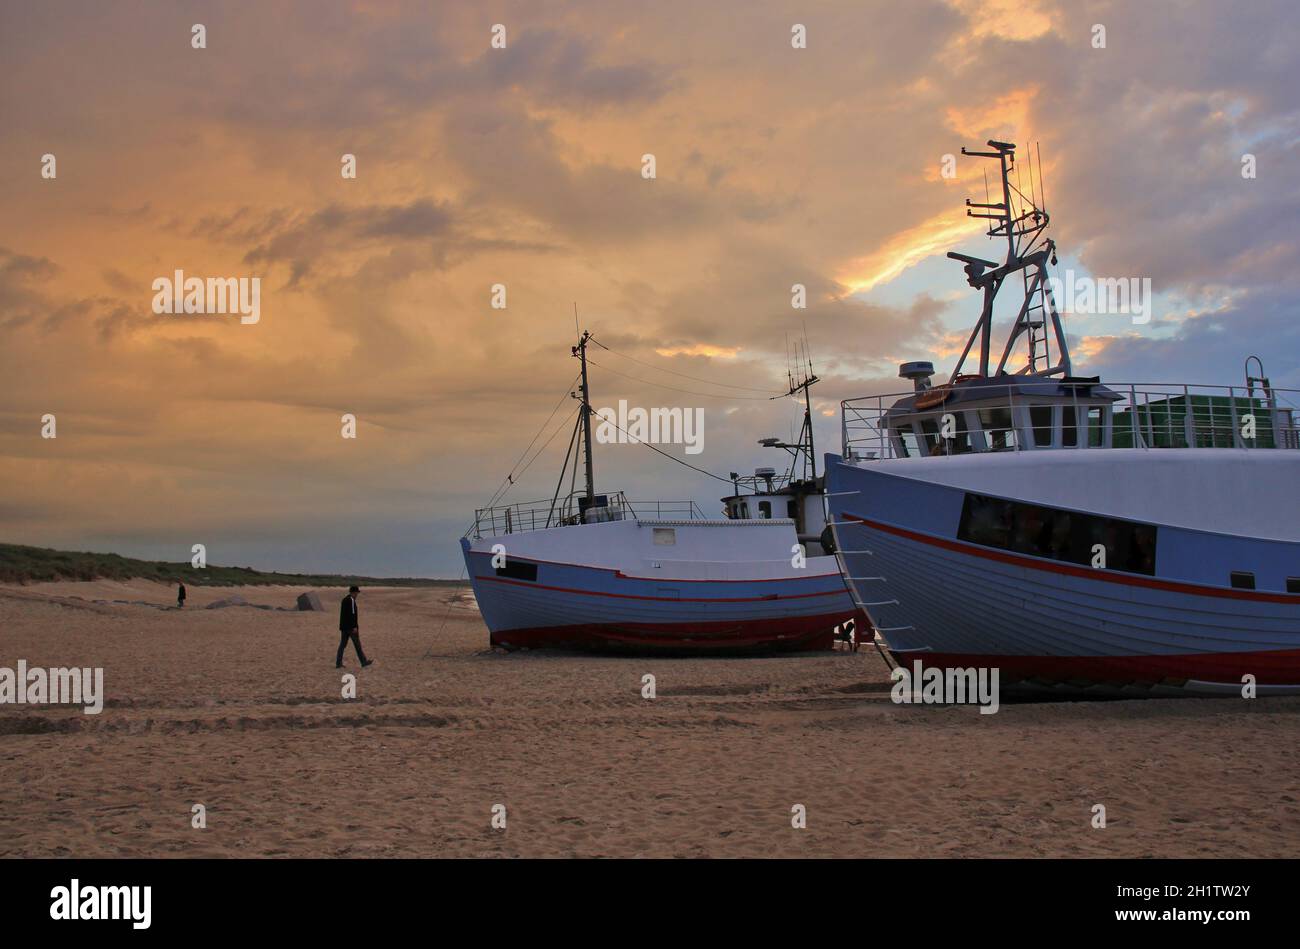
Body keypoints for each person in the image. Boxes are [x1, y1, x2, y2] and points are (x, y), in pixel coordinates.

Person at [336, 585, 374, 669]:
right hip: (350, 628)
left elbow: (344, 615)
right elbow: (352, 615)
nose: (357, 594)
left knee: (342, 645)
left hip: (344, 627)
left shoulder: (344, 600)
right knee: (357, 645)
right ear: (354, 592)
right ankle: (363, 661)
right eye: (357, 593)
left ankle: (338, 663)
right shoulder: (352, 601)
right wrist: (354, 627)